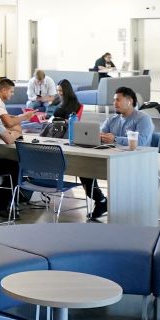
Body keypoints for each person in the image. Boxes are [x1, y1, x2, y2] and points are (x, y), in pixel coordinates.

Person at [50, 81, 108, 219]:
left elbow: (69, 122)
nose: (59, 93)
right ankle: (100, 199)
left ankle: (100, 199)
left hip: (63, 135)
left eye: (61, 90)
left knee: (85, 169)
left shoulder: (73, 105)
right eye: (58, 90)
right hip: (55, 134)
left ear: (67, 90)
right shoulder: (60, 101)